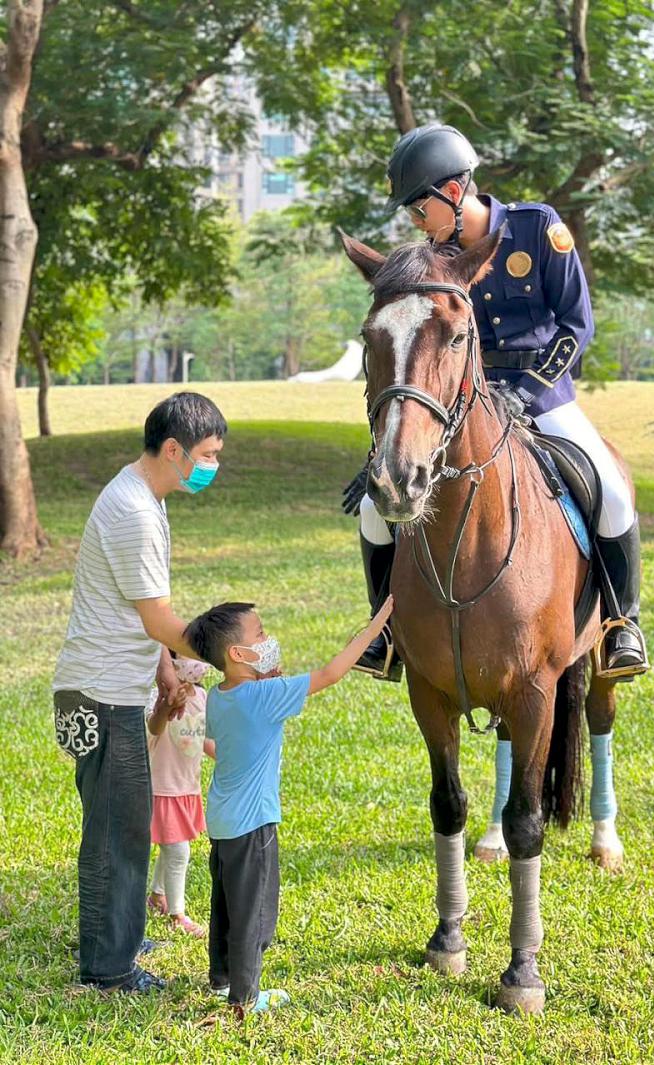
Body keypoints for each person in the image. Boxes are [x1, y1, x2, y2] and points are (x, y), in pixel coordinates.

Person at [347, 123, 649, 859]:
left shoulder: (538, 230)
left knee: (608, 486)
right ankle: (389, 633)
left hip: (543, 397)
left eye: (420, 209)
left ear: (453, 191)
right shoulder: (436, 263)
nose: (416, 223)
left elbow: (576, 323)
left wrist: (528, 387)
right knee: (371, 507)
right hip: (466, 405)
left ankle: (621, 621)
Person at [52, 392, 227, 993]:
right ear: (173, 450)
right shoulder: (133, 511)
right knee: (118, 831)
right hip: (99, 697)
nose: (212, 467)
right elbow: (158, 620)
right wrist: (230, 658)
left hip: (108, 689)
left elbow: (140, 619)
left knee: (119, 825)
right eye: (206, 455)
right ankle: (108, 967)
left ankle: (118, 928)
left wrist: (168, 673)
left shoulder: (143, 497)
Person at [183, 595, 394, 1014]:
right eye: (259, 633)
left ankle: (221, 979)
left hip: (223, 821)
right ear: (238, 653)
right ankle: (245, 998)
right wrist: (378, 624)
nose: (268, 638)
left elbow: (228, 746)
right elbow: (332, 673)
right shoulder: (266, 696)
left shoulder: (219, 696)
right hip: (254, 823)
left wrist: (263, 679)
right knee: (255, 912)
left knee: (225, 906)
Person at [146, 654, 215, 937]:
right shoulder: (154, 697)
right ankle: (178, 915)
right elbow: (154, 728)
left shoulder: (202, 695)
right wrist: (166, 705)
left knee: (172, 844)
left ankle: (156, 896)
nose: (197, 662)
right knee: (177, 851)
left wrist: (226, 757)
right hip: (162, 788)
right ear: (169, 664)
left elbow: (204, 738)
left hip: (187, 786)